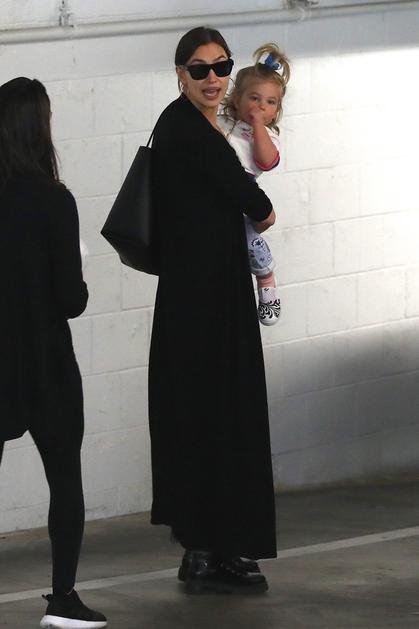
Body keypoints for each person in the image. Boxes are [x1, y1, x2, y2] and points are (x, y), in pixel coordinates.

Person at [148, 26, 277, 595]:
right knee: (214, 414)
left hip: (204, 293)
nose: (213, 78)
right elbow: (259, 206)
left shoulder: (193, 126)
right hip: (203, 300)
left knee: (209, 415)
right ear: (180, 74)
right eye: (199, 69)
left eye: (222, 67)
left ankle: (210, 546)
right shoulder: (189, 130)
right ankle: (209, 547)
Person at [0, 77, 107, 629]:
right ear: (39, 128)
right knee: (64, 478)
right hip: (46, 361)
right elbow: (71, 299)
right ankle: (62, 599)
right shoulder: (54, 201)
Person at [219, 43, 290, 326]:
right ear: (237, 99)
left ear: (276, 110)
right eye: (254, 98)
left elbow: (265, 161)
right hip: (218, 189)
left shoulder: (268, 137)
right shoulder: (222, 122)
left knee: (250, 241)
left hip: (244, 192)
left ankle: (266, 277)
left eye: (270, 102)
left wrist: (258, 125)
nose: (261, 106)